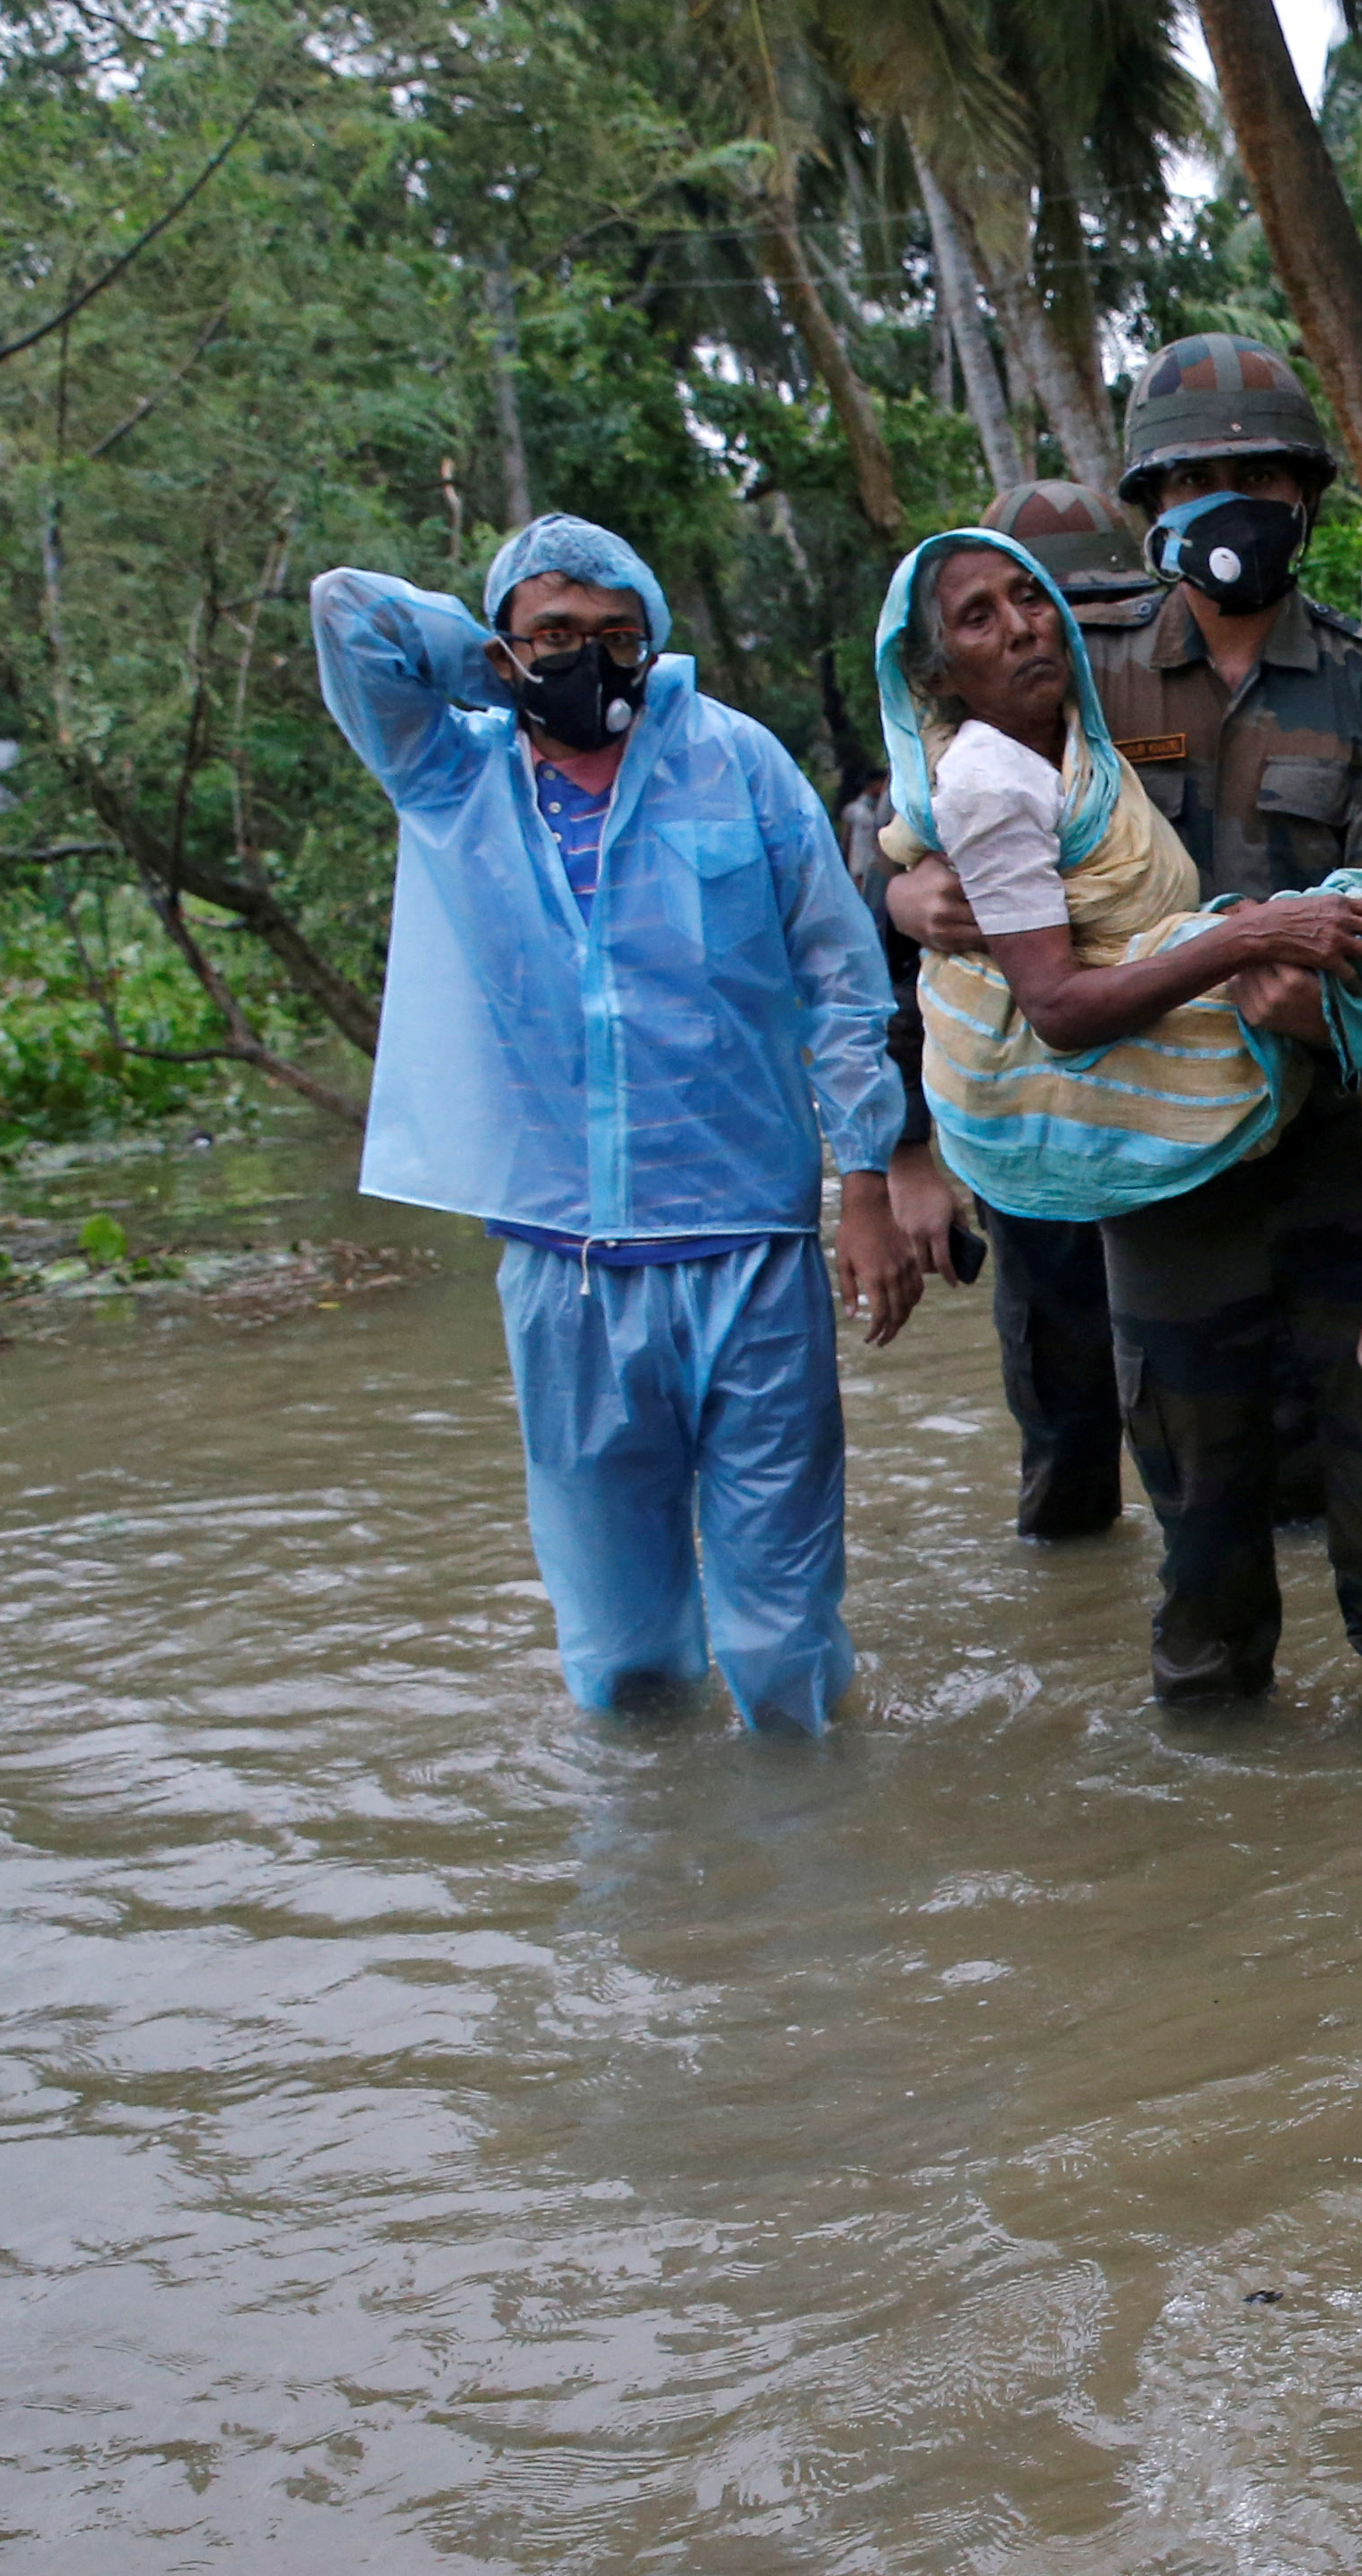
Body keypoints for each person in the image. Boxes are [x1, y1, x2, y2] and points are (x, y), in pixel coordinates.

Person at [890, 341, 1362, 1709]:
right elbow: (921, 785)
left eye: (1261, 478)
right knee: (1203, 1539)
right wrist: (913, 882)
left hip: (1345, 1156)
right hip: (1157, 1171)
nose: (1232, 504)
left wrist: (1319, 986)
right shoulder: (1075, 659)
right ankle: (1211, 1834)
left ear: (1306, 497)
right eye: (1201, 479)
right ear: (1153, 497)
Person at [311, 514, 943, 1732]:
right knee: (624, 1662)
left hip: (751, 1255)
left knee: (781, 1647)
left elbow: (840, 980)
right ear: (504, 649)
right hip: (567, 1269)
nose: (585, 658)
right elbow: (348, 610)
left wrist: (864, 1182)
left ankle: (820, 1885)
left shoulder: (737, 761)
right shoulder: (456, 775)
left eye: (616, 635)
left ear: (654, 644)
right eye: (553, 633)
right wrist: (495, 670)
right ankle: (665, 1897)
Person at [859, 479, 1154, 1543]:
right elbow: (882, 972)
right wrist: (905, 1156)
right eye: (992, 614)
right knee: (1065, 1406)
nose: (1048, 631)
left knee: (1237, 1409)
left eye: (1079, 607)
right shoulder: (937, 777)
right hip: (1026, 1133)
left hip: (1185, 1113)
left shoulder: (1157, 724)